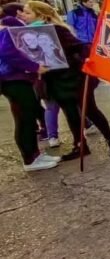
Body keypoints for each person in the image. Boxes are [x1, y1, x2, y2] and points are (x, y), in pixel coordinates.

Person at [22, 1, 110, 161]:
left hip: (75, 78)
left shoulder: (58, 30)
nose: (24, 16)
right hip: (54, 80)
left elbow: (80, 48)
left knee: (90, 110)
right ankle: (79, 145)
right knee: (70, 113)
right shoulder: (27, 34)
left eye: (28, 12)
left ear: (40, 14)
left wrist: (73, 61)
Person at [0, 28, 58, 171]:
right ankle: (30, 159)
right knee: (24, 119)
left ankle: (35, 154)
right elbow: (8, 53)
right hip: (13, 79)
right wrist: (34, 67)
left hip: (15, 79)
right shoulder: (8, 28)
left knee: (28, 117)